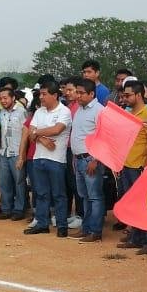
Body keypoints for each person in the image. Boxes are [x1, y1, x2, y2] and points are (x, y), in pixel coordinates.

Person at [24, 80, 72, 238]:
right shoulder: (39, 111)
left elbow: (57, 130)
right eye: (40, 94)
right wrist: (42, 138)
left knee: (59, 194)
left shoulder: (64, 111)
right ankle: (42, 224)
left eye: (44, 94)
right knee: (41, 193)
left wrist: (37, 133)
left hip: (56, 159)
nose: (41, 97)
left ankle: (62, 225)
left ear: (55, 95)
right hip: (38, 157)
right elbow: (30, 133)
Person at [116, 79, 147, 255]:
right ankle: (136, 239)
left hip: (140, 166)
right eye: (124, 95)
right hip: (127, 164)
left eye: (128, 95)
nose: (124, 98)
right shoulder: (129, 113)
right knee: (133, 204)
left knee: (144, 204)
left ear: (139, 95)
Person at [68, 78, 105, 242]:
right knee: (84, 196)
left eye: (81, 93)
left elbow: (103, 137)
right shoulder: (80, 110)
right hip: (79, 159)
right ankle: (86, 228)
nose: (78, 96)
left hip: (91, 159)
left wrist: (95, 159)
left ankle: (95, 231)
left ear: (91, 94)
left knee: (95, 197)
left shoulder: (99, 110)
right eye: (77, 92)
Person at [0, 86, 28, 221]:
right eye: (1, 98)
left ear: (13, 98)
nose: (3, 101)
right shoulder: (1, 112)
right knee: (3, 182)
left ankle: (19, 209)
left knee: (19, 182)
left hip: (16, 152)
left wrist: (22, 156)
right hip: (4, 152)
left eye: (5, 98)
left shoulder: (22, 112)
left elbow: (26, 133)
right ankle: (6, 209)